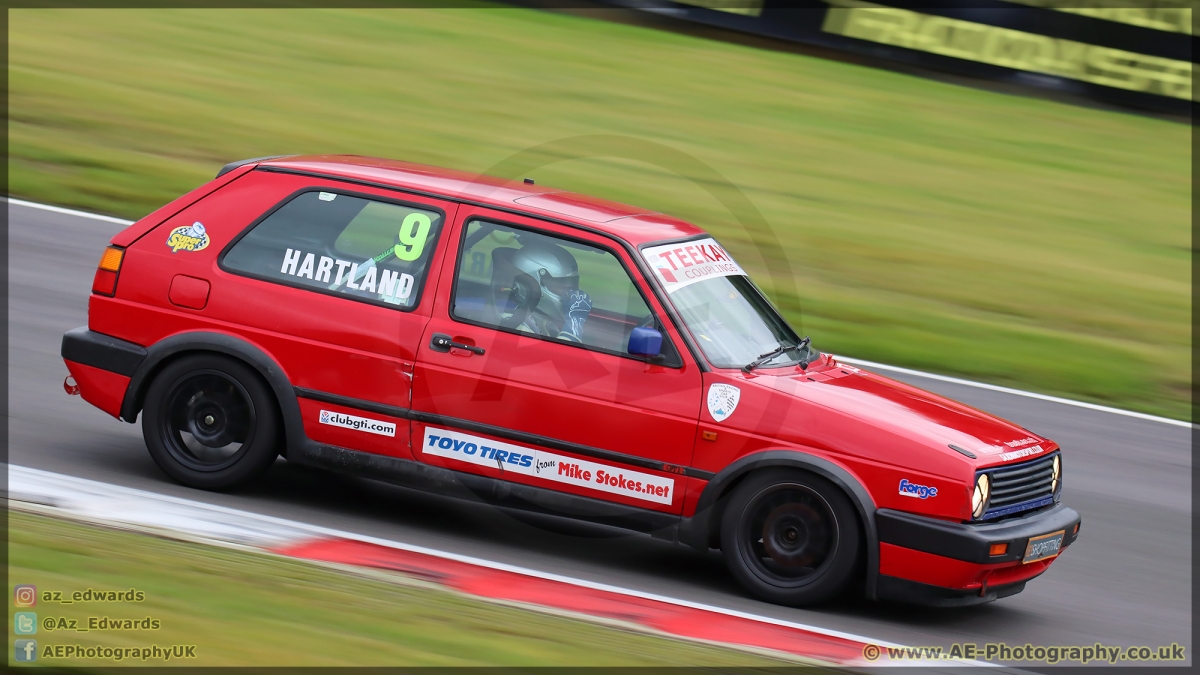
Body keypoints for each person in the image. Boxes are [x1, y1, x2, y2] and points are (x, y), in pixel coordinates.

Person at [497, 242, 593, 342]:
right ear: (533, 283)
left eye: (571, 285)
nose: (569, 293)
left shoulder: (543, 322)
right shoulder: (515, 325)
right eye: (560, 285)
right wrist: (574, 325)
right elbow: (557, 357)